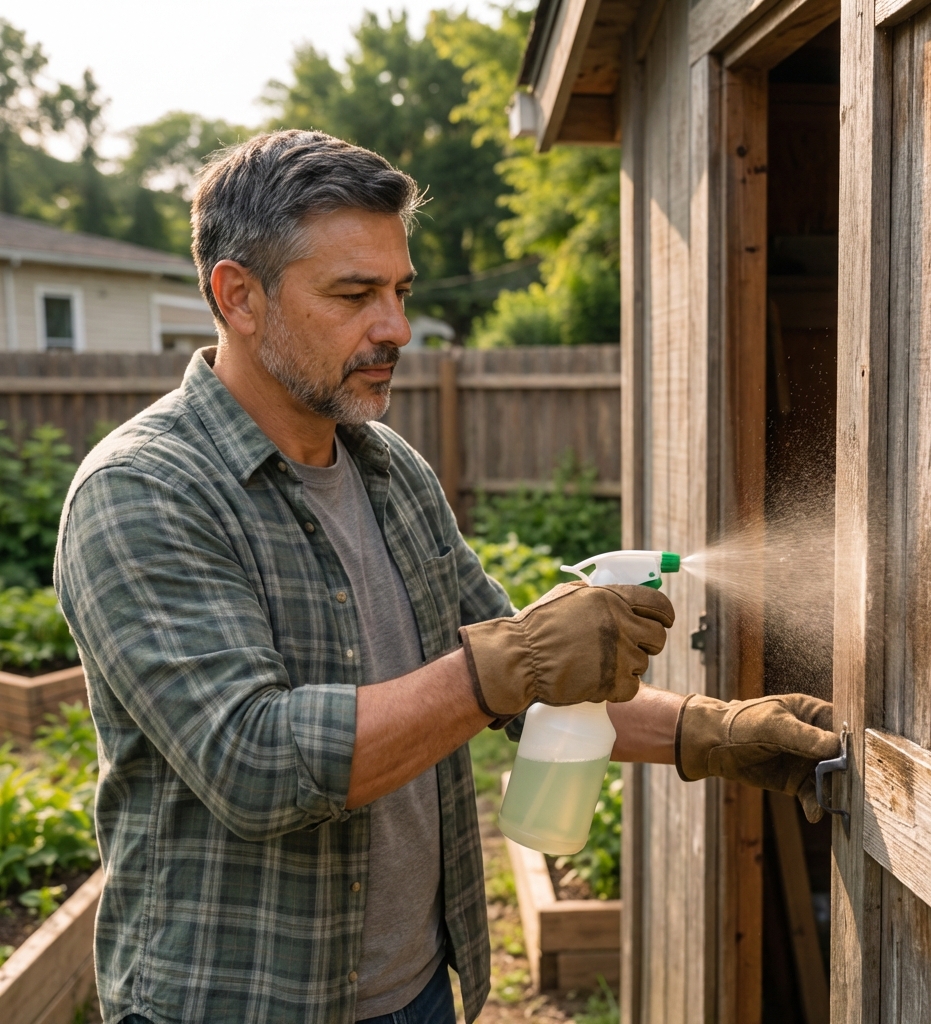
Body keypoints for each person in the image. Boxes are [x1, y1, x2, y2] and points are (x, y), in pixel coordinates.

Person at [54, 130, 839, 1024]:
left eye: (399, 292)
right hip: (235, 1002)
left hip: (421, 990)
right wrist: (508, 661)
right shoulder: (143, 493)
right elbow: (256, 762)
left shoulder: (390, 471)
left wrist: (715, 732)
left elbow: (525, 690)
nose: (395, 326)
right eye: (354, 294)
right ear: (238, 296)